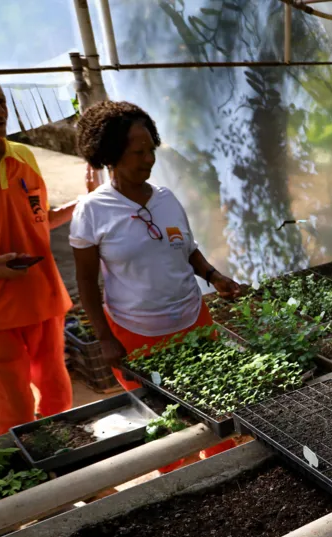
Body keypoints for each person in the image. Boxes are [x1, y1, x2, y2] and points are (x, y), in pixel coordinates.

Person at [70, 100, 242, 463]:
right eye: (137, 152)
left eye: (151, 150)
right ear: (111, 155)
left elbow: (186, 249)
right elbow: (86, 283)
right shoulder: (92, 211)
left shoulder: (165, 199)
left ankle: (225, 471)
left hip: (194, 322)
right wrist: (105, 338)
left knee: (215, 411)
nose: (148, 159)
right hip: (136, 335)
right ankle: (180, 489)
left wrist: (214, 276)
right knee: (166, 429)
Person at [0, 63, 83, 436]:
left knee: (58, 400)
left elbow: (39, 218)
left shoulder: (24, 157)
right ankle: (37, 489)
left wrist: (86, 201)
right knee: (14, 413)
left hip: (45, 301)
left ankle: (68, 475)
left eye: (0, 101)